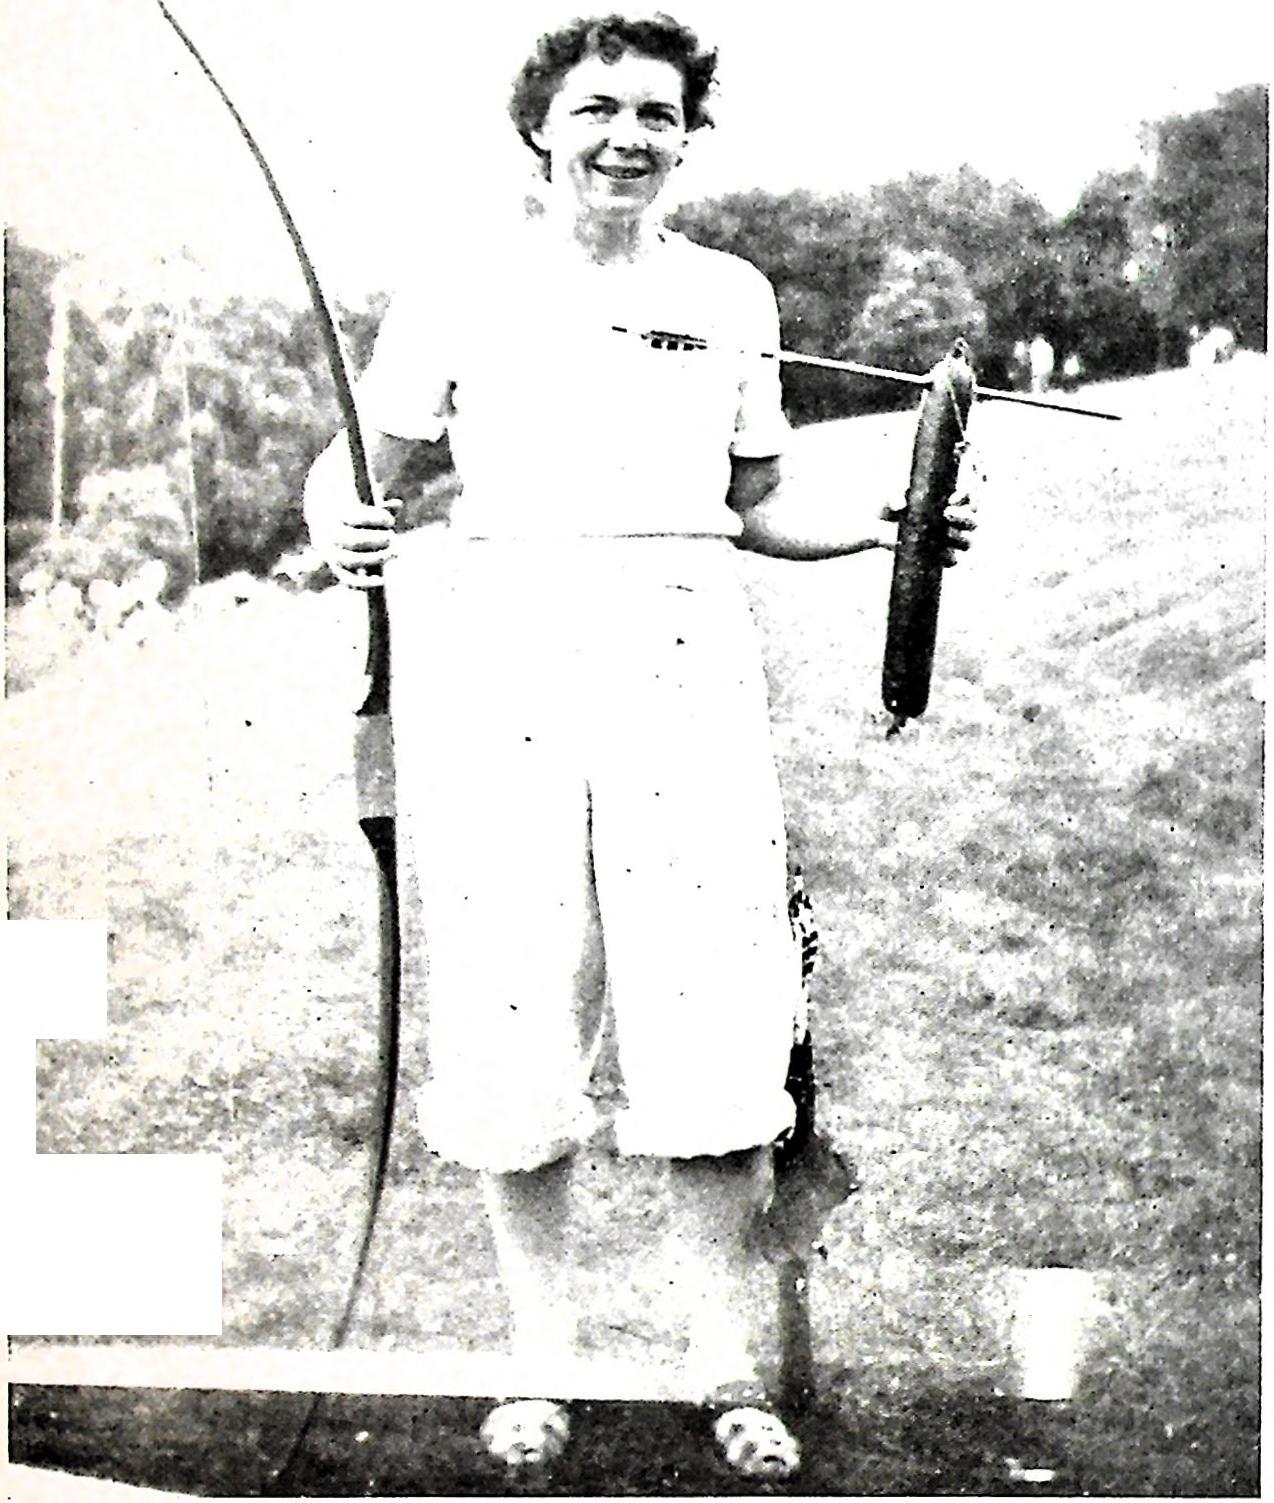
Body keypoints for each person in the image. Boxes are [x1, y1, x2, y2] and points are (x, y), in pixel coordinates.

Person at [303, 12, 975, 1478]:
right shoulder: (460, 288)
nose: (627, 137)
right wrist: (337, 521)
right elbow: (361, 471)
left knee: (709, 1010)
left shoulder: (729, 292)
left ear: (687, 137)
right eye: (597, 109)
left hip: (684, 663)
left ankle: (724, 1369)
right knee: (515, 1010)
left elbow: (754, 503)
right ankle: (539, 1366)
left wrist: (889, 525)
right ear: (540, 130)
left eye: (658, 114)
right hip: (505, 664)